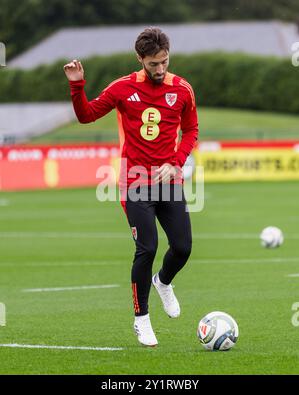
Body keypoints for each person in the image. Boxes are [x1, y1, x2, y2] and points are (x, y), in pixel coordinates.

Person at [64, 27, 198, 347]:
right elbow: (86, 115)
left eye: (164, 61)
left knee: (182, 247)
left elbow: (191, 130)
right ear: (140, 59)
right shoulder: (123, 88)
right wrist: (77, 85)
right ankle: (142, 319)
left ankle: (163, 282)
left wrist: (176, 162)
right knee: (147, 247)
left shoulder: (182, 89)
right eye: (153, 64)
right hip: (135, 182)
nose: (160, 69)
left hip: (168, 181)